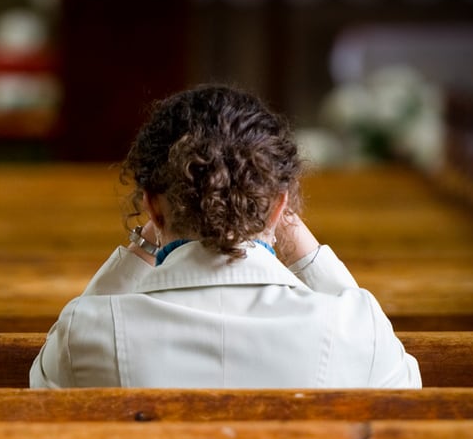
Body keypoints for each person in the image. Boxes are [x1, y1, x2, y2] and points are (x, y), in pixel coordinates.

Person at [30, 85, 421, 389]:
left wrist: (142, 246)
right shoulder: (354, 328)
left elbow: (46, 385)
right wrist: (297, 239)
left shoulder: (85, 333)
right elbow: (404, 393)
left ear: (152, 205)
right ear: (278, 206)